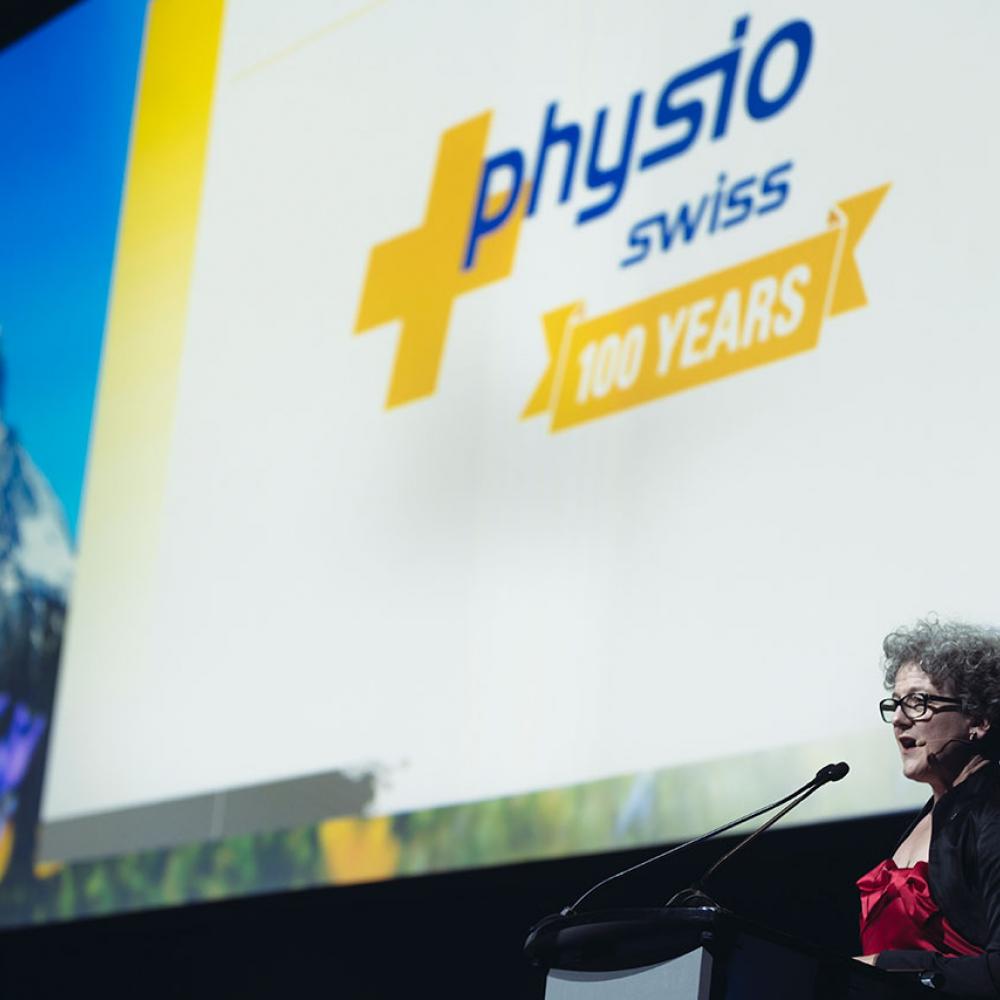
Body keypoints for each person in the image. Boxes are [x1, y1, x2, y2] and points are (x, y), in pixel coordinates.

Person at [856, 618, 1000, 996]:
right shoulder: (928, 817)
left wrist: (886, 967)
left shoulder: (991, 809)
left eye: (919, 702)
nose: (901, 719)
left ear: (979, 719)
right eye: (896, 704)